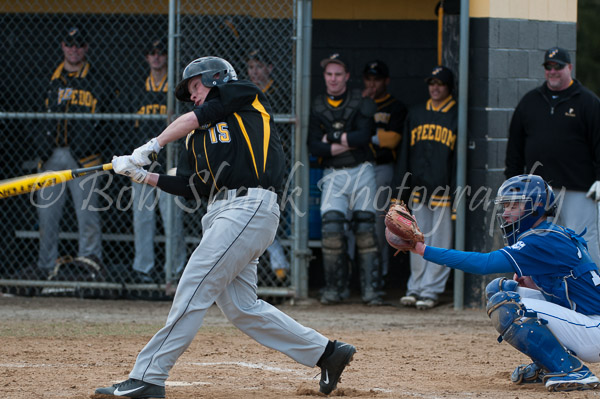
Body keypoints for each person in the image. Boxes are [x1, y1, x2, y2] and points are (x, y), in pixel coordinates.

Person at [95, 56, 356, 398]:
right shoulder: (197, 138)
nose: (194, 96)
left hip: (249, 205)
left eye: (196, 87)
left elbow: (194, 117)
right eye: (190, 92)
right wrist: (143, 175)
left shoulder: (243, 94)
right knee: (241, 308)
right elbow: (194, 185)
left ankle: (148, 376)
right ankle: (327, 353)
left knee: (193, 284)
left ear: (216, 78)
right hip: (223, 213)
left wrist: (151, 147)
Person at [407, 174, 600, 392]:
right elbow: (569, 290)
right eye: (505, 205)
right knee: (500, 289)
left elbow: (484, 264)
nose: (506, 212)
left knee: (507, 303)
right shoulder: (549, 233)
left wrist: (423, 250)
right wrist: (536, 285)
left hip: (593, 330)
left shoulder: (543, 238)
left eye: (514, 205)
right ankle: (548, 364)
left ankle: (572, 371)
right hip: (587, 323)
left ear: (537, 206)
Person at [505, 47, 600, 268]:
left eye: (558, 66)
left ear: (570, 67)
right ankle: (551, 295)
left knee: (583, 240)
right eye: (549, 66)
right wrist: (513, 181)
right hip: (538, 191)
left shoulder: (588, 102)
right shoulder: (530, 101)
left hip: (579, 189)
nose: (553, 71)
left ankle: (593, 292)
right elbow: (515, 147)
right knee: (541, 241)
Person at [32, 27, 113, 279]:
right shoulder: (49, 79)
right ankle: (46, 269)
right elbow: (32, 118)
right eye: (69, 44)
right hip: (51, 157)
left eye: (79, 44)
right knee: (46, 217)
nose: (74, 49)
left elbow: (109, 122)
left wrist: (93, 145)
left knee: (88, 217)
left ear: (86, 47)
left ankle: (89, 266)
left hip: (85, 159)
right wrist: (40, 148)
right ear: (62, 46)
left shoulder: (98, 80)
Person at [307, 53, 383, 306]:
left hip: (361, 170)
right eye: (329, 74)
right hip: (332, 173)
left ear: (347, 76)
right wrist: (344, 143)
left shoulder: (361, 102)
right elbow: (313, 146)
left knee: (365, 231)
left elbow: (365, 136)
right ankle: (333, 290)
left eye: (338, 74)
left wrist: (331, 140)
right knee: (331, 232)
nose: (333, 79)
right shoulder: (317, 104)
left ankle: (371, 292)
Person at [393, 65, 457, 310]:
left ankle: (431, 291)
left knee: (439, 243)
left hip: (443, 191)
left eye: (440, 83)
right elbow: (405, 157)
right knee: (416, 240)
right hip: (419, 189)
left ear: (448, 87)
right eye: (432, 83)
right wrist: (399, 196)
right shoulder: (417, 113)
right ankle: (415, 287)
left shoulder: (456, 115)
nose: (435, 87)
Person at [129, 38, 186, 283]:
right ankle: (143, 270)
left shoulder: (175, 91)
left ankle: (175, 271)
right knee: (142, 219)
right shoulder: (137, 89)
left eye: (161, 53)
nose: (156, 57)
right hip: (142, 164)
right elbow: (129, 128)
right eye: (151, 53)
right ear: (146, 57)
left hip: (169, 163)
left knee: (173, 220)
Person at [245, 47, 290, 281]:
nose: (255, 72)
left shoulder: (281, 93)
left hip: (279, 162)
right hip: (252, 164)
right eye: (251, 67)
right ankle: (270, 264)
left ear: (270, 68)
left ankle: (282, 264)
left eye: (259, 66)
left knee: (277, 213)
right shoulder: (244, 94)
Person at [361, 60, 407, 279]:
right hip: (358, 168)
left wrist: (363, 137)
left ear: (386, 81)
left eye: (376, 80)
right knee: (357, 222)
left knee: (379, 224)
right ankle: (359, 274)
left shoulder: (395, 106)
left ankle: (379, 274)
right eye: (369, 80)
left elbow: (393, 139)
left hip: (383, 168)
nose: (372, 84)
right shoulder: (357, 103)